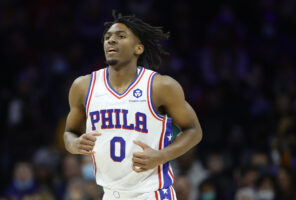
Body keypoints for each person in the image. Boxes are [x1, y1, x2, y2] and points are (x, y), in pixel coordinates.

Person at [63, 11, 203, 200]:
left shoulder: (160, 86)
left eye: (121, 36)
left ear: (138, 48)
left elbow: (194, 130)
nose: (111, 40)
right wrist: (75, 144)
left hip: (152, 193)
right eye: (107, 37)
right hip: (110, 194)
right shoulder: (83, 86)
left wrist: (162, 155)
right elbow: (68, 133)